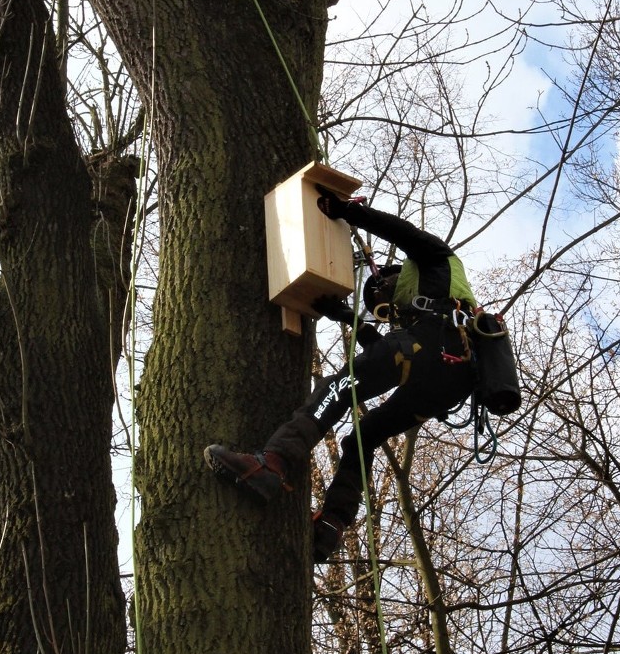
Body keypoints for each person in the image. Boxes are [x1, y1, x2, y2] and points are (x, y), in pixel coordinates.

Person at [204, 188, 479, 563]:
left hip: (429, 353)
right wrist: (344, 316)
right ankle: (330, 525)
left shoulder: (437, 263)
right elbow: (385, 355)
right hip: (446, 382)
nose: (388, 307)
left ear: (397, 275)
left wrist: (347, 212)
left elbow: (402, 232)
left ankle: (272, 462)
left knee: (337, 389)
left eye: (384, 296)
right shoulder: (435, 313)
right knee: (364, 438)